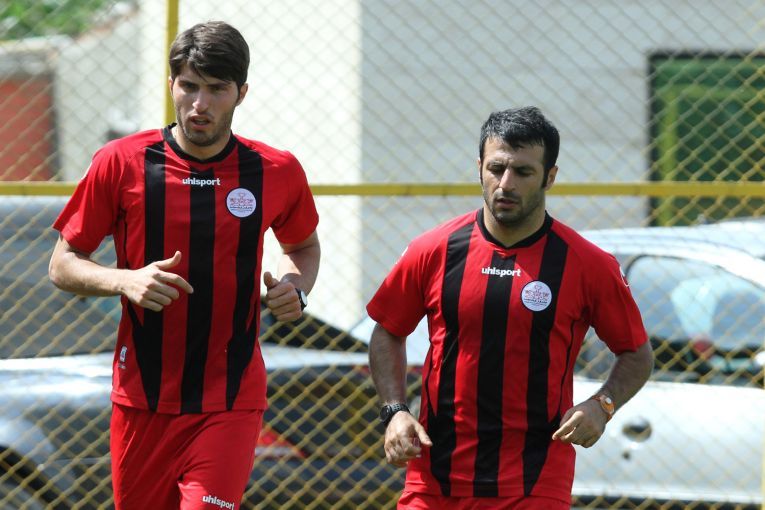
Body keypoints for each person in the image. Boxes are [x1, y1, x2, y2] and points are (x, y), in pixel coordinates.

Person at [48, 21, 320, 510]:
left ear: (241, 93)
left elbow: (302, 246)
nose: (200, 104)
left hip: (230, 399)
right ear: (171, 84)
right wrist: (124, 280)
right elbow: (62, 264)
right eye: (189, 86)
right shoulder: (120, 162)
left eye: (216, 89)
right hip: (142, 399)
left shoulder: (276, 170)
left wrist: (295, 286)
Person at [367, 106, 653, 509]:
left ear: (549, 177)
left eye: (523, 172)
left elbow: (636, 353)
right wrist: (395, 410)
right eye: (496, 168)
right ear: (479, 168)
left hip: (533, 483)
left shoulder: (587, 264)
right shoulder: (433, 250)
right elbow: (387, 331)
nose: (506, 184)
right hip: (434, 479)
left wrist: (602, 405)